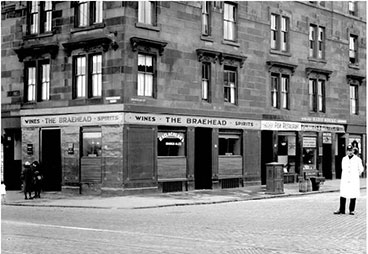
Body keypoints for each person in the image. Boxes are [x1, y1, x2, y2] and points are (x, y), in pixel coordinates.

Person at [334, 144, 364, 215]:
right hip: (345, 179)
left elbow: (361, 169)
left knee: (353, 194)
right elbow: (343, 168)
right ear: (347, 151)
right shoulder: (344, 159)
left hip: (353, 179)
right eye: (348, 151)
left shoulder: (357, 159)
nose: (350, 152)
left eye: (351, 151)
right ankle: (342, 209)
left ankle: (351, 210)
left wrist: (356, 175)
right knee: (343, 193)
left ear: (353, 151)